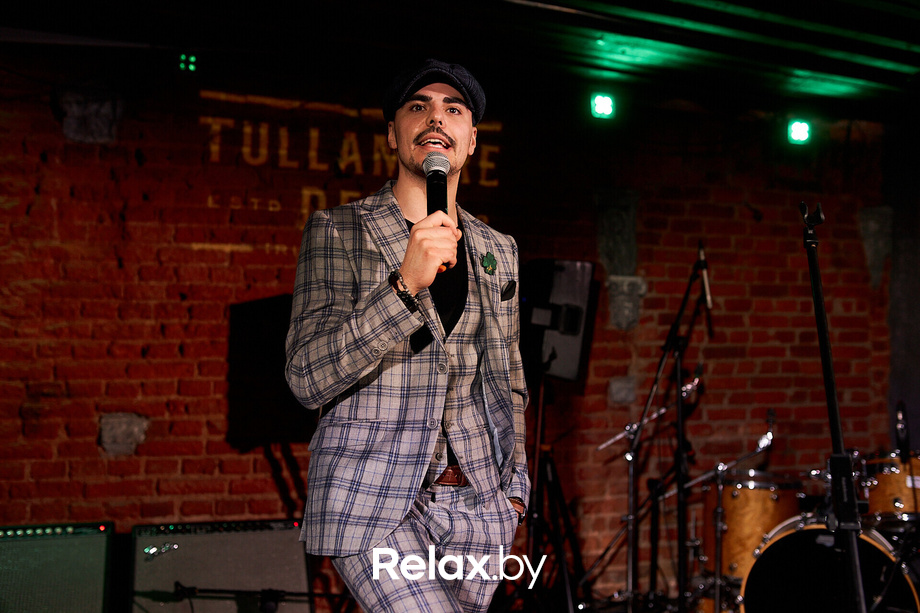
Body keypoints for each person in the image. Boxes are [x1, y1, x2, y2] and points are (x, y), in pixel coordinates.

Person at [285, 59, 531, 612]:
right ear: (392, 134)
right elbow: (306, 377)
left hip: (478, 507)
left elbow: (509, 379)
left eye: (453, 109)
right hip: (372, 499)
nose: (435, 118)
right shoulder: (337, 231)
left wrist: (514, 491)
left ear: (470, 141)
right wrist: (403, 286)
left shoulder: (499, 250)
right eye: (417, 106)